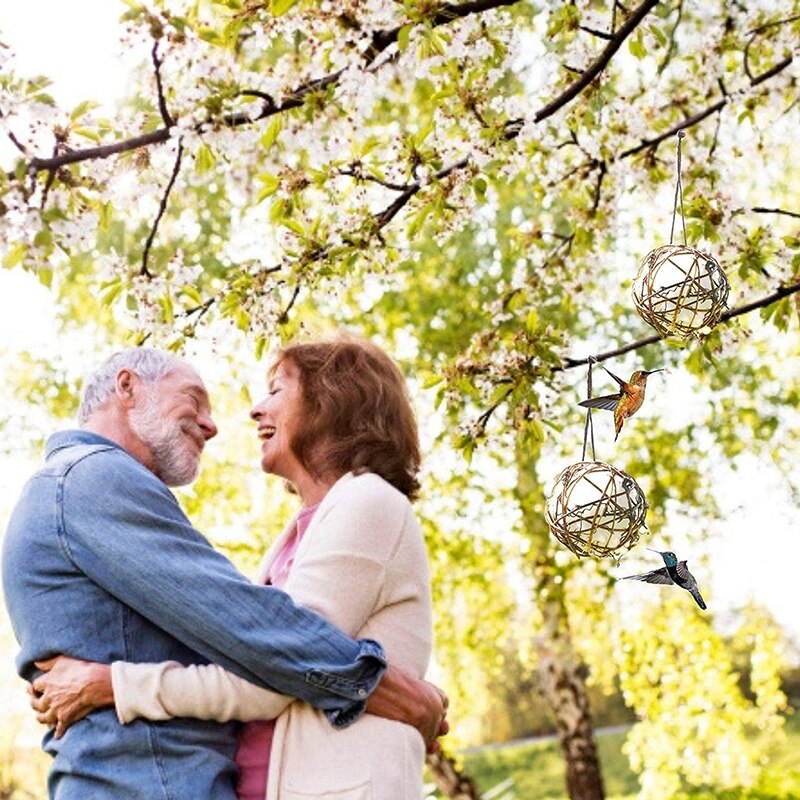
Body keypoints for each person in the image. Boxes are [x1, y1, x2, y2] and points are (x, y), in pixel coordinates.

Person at [2, 347, 446, 800]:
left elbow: (254, 643)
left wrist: (111, 684)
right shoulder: (92, 480)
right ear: (127, 387)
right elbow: (259, 636)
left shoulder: (357, 506)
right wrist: (377, 685)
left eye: (276, 390)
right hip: (147, 785)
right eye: (194, 398)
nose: (216, 424)